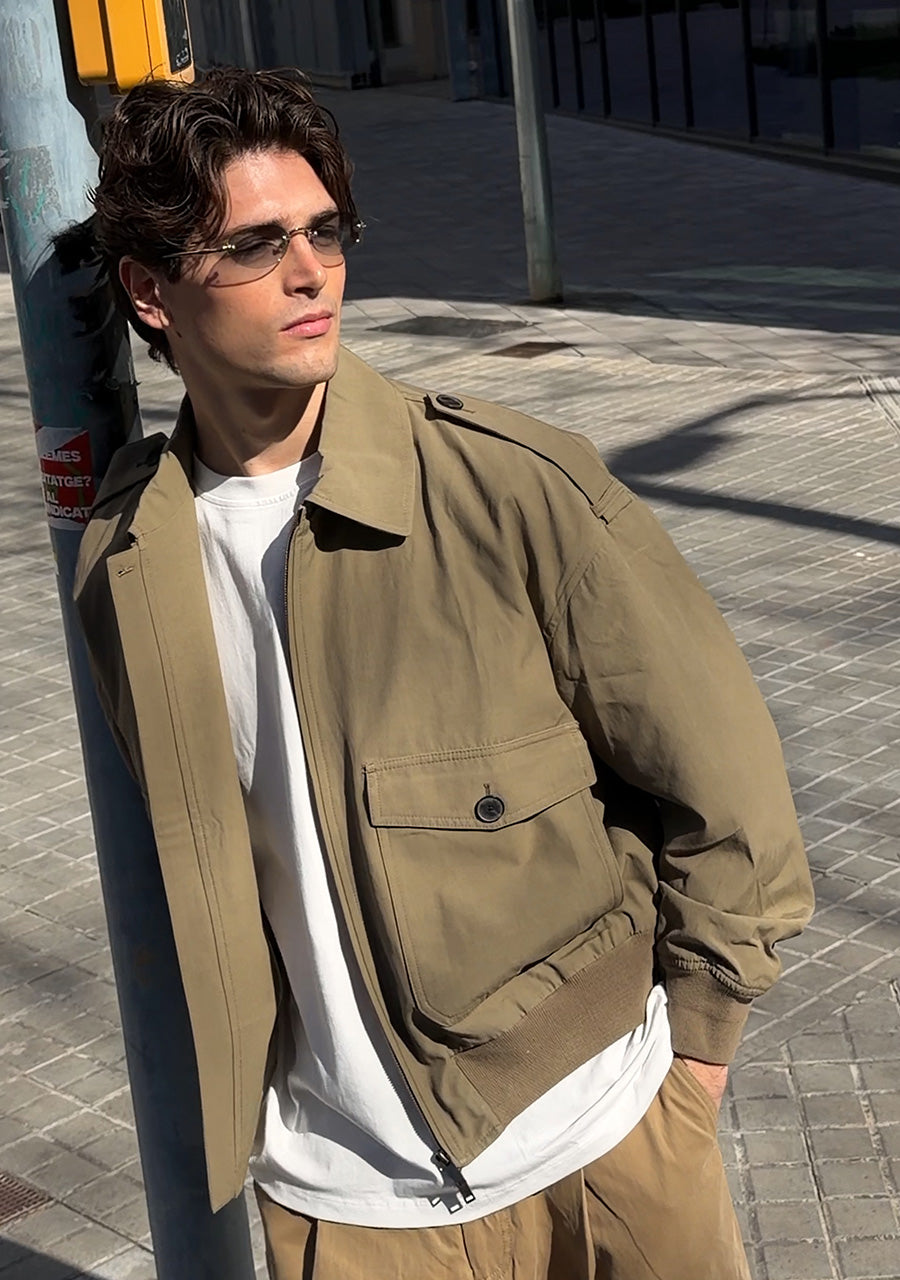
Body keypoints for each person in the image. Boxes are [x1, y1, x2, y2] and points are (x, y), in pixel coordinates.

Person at [75, 66, 814, 1280]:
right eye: (255, 245)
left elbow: (728, 786)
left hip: (608, 1140)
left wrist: (698, 1053)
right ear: (150, 292)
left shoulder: (506, 487)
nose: (311, 273)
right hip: (345, 1200)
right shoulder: (128, 559)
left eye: (325, 231)